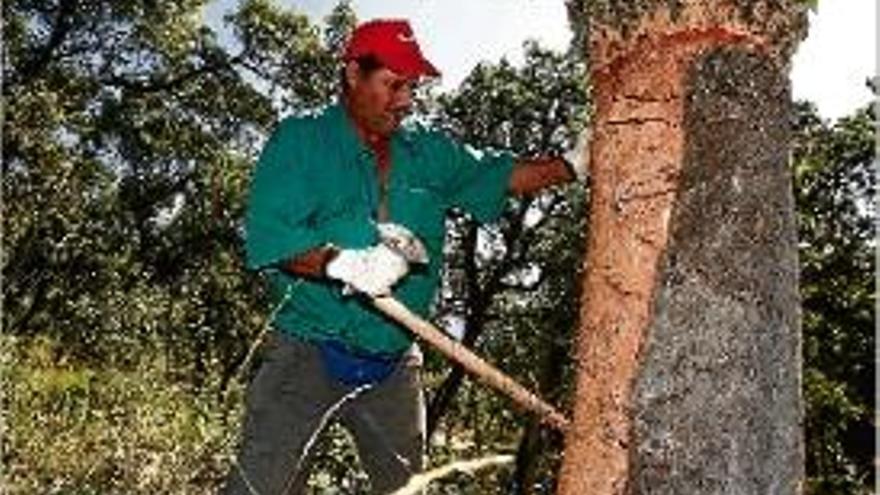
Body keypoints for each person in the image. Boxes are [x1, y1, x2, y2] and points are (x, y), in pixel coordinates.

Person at [221, 18, 587, 495]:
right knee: (259, 487)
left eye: (411, 87)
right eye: (392, 84)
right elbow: (273, 236)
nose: (406, 100)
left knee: (408, 489)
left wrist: (570, 168)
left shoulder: (428, 152)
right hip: (306, 352)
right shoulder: (300, 142)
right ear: (353, 74)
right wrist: (345, 263)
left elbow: (500, 175)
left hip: (393, 363)